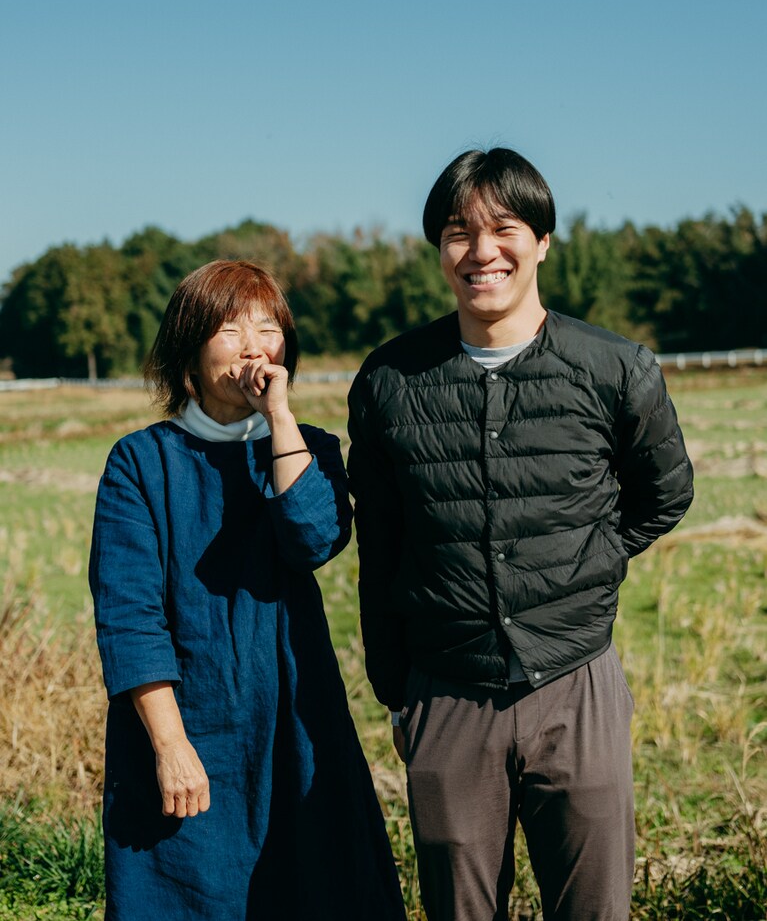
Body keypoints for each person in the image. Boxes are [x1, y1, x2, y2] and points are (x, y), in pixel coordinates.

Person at [347, 149, 694, 921]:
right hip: (444, 691)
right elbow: (382, 545)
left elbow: (664, 494)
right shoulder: (389, 381)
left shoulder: (615, 369)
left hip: (576, 682)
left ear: (541, 241)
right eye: (455, 233)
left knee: (593, 908)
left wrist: (583, 567)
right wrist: (398, 694)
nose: (480, 252)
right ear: (438, 250)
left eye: (502, 228)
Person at [89, 260, 406, 921]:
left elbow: (313, 538)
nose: (254, 344)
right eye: (230, 329)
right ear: (189, 348)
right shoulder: (140, 463)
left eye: (269, 327)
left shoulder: (308, 448)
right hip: (191, 725)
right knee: (190, 895)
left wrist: (279, 418)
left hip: (296, 720)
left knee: (315, 888)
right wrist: (171, 746)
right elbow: (130, 616)